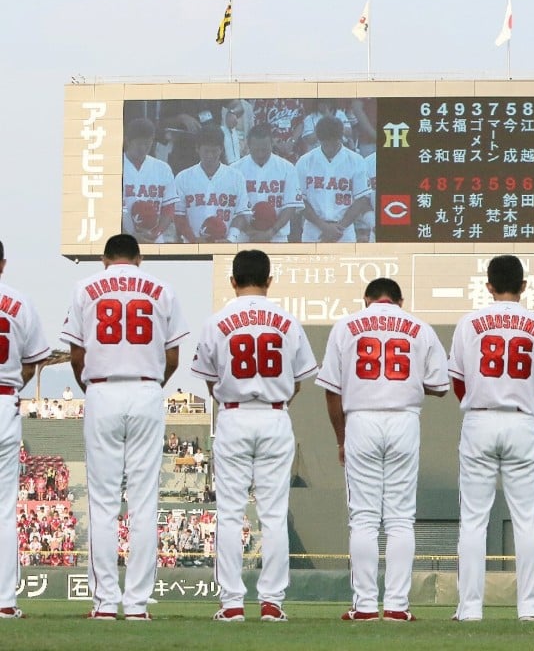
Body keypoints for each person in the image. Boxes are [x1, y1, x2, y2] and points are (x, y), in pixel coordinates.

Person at [60, 234, 188, 620]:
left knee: (102, 504)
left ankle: (103, 604)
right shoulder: (161, 289)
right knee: (144, 503)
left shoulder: (85, 287)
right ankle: (136, 606)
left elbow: (76, 353)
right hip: (147, 389)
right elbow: (173, 356)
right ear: (139, 257)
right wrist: (150, 384)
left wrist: (92, 386)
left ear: (104, 259)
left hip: (102, 390)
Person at [191, 249, 317, 623]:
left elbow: (210, 379)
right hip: (275, 416)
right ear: (269, 279)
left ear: (233, 280)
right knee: (274, 515)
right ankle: (271, 603)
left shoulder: (217, 321)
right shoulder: (287, 321)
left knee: (229, 514)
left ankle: (231, 603)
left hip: (233, 415)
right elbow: (298, 381)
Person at [317, 278, 448, 622]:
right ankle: (396, 607)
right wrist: (406, 383)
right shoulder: (419, 327)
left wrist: (341, 438)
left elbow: (332, 391)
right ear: (399, 300)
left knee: (363, 518)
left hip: (361, 419)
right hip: (404, 420)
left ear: (367, 299)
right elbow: (440, 387)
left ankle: (364, 607)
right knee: (401, 519)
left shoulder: (346, 326)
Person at [449, 255, 534, 622]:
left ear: (488, 286)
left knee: (473, 520)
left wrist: (482, 404)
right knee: (527, 518)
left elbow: (457, 381)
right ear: (524, 285)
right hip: (521, 421)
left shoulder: (470, 323)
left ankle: (469, 610)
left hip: (479, 420)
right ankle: (530, 609)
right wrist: (524, 406)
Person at [0, 240, 50, 619]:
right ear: (2, 264)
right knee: (4, 511)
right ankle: (4, 602)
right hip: (4, 399)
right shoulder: (19, 301)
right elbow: (33, 363)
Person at [294, 115, 372, 243]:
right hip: (313, 230)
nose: (330, 147)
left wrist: (339, 228)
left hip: (344, 231)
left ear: (341, 138)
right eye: (326, 143)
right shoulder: (305, 161)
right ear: (319, 140)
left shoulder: (356, 161)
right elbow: (300, 200)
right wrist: (323, 227)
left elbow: (361, 199)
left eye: (333, 142)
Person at [173, 126, 249, 244]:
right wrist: (194, 240)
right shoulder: (183, 178)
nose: (210, 155)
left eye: (214, 151)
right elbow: (178, 215)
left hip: (225, 245)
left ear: (221, 149)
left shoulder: (236, 177)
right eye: (206, 151)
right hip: (193, 244)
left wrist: (230, 239)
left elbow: (241, 213)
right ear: (197, 149)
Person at [231, 123, 301, 243]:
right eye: (256, 149)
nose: (260, 154)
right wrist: (250, 232)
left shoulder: (287, 168)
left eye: (265, 149)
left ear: (272, 144)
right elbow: (232, 207)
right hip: (244, 236)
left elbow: (290, 205)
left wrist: (271, 232)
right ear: (248, 145)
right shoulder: (234, 170)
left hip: (277, 236)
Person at [122, 117, 179, 244]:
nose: (143, 148)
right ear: (127, 141)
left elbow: (169, 208)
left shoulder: (162, 168)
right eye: (139, 143)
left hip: (153, 239)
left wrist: (156, 233)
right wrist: (128, 235)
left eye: (147, 143)